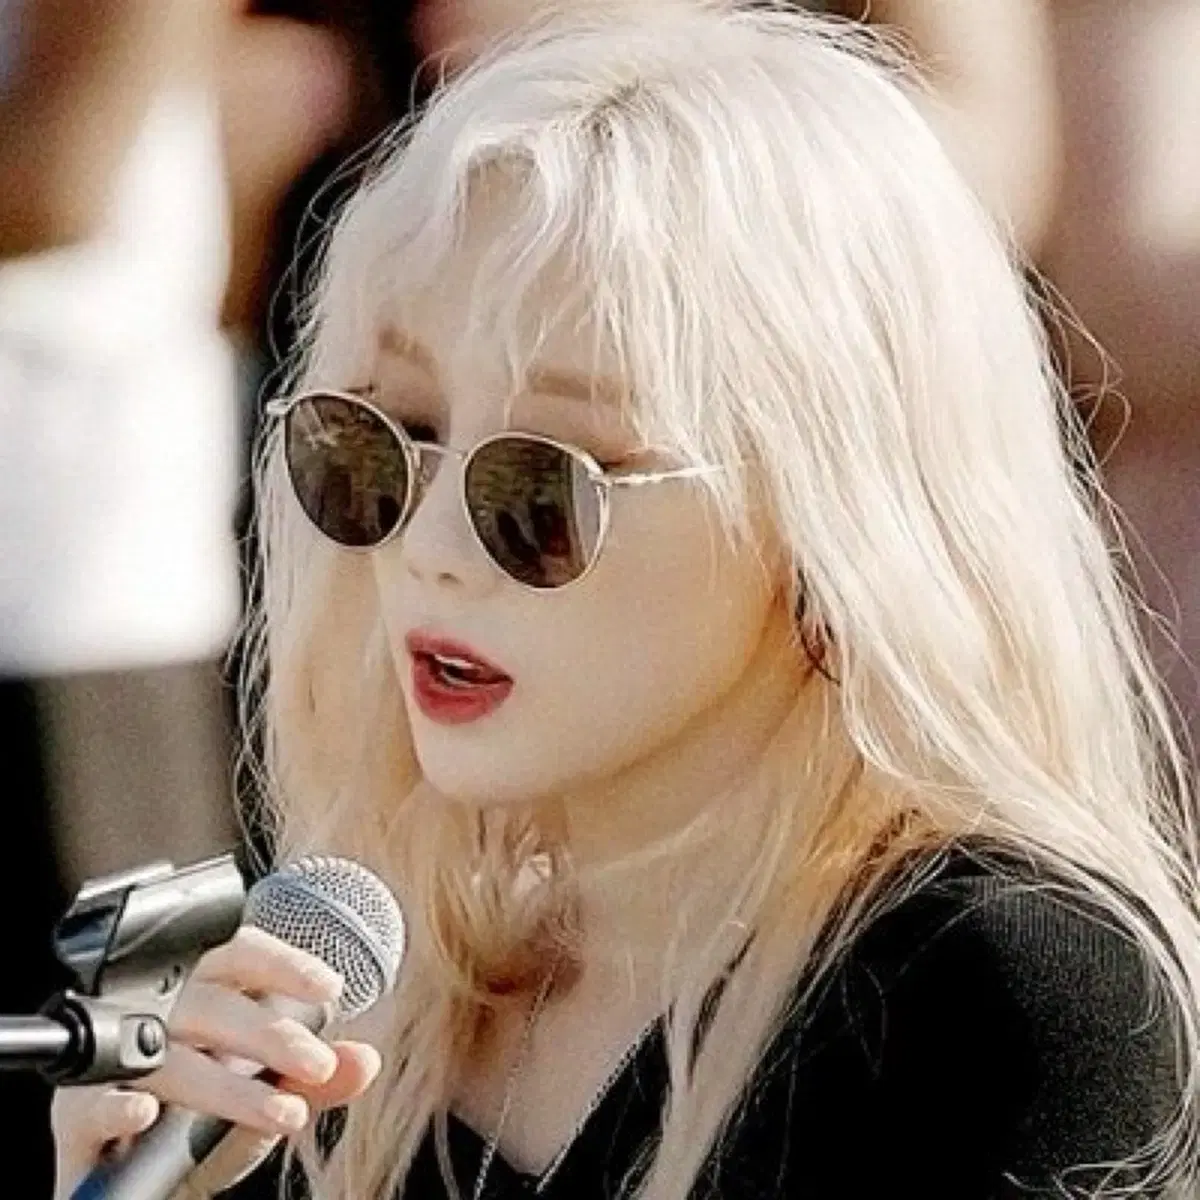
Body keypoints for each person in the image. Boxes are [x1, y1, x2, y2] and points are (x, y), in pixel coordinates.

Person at [50, 3, 1200, 1198]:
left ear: (822, 515)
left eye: (544, 482)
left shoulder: (1004, 992)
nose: (429, 548)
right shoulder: (349, 1020)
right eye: (383, 441)